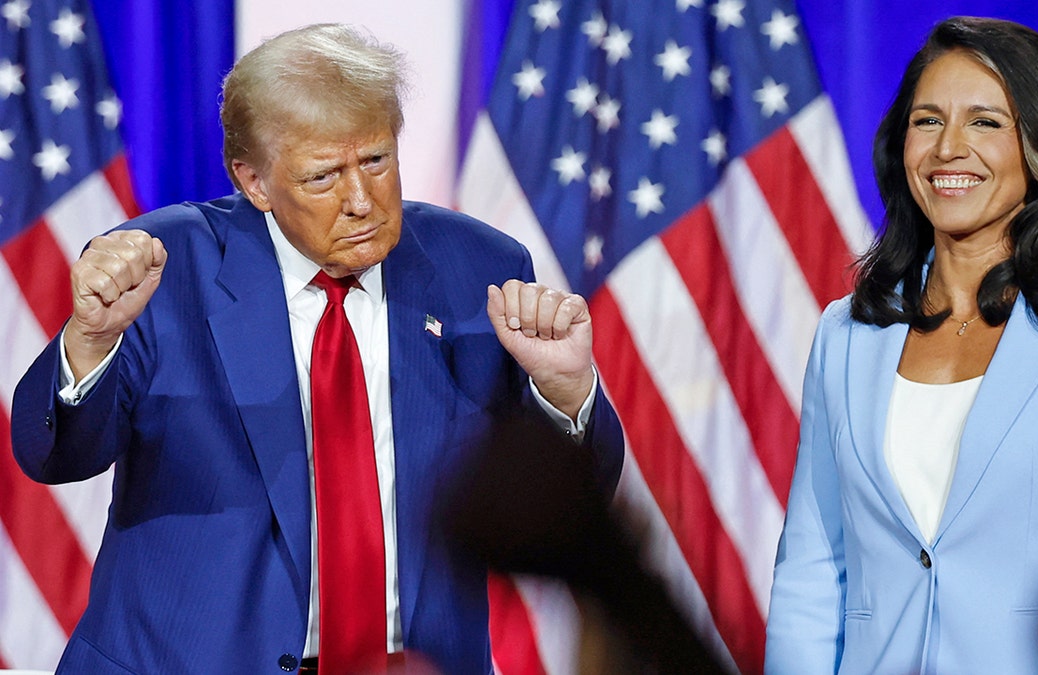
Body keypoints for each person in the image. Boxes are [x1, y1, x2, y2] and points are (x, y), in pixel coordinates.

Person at [9, 24, 623, 675]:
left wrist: (564, 393)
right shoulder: (164, 269)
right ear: (254, 181)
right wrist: (89, 341)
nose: (361, 200)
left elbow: (563, 504)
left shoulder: (479, 267)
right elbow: (54, 453)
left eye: (377, 161)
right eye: (323, 176)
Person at [764, 16, 1038, 675]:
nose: (947, 149)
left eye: (985, 122)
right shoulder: (845, 331)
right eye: (928, 120)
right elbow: (814, 566)